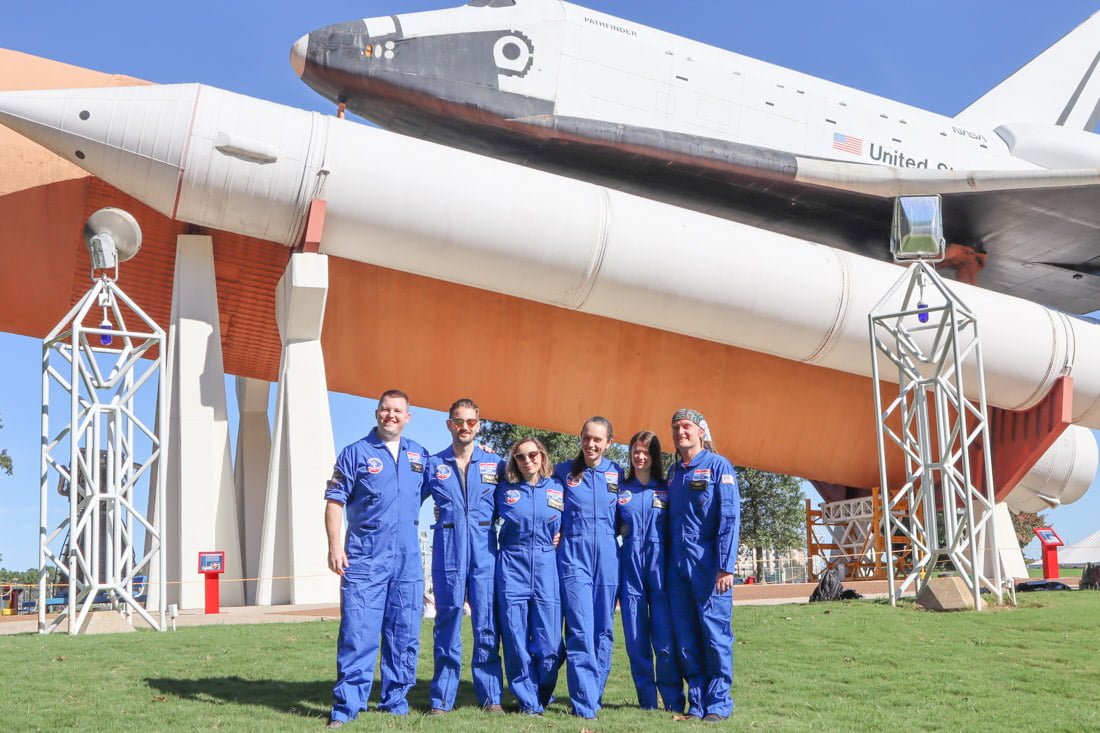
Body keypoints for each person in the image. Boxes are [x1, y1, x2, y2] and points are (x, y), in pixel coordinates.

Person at [324, 389, 428, 729]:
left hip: (407, 562)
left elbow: (452, 473)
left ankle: (396, 700)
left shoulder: (420, 456)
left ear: (408, 417)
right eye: (386, 409)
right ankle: (347, 707)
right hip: (365, 559)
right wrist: (334, 546)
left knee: (404, 633)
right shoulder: (355, 454)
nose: (391, 415)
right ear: (377, 413)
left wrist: (482, 452)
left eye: (398, 411)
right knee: (359, 633)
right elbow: (335, 500)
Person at [422, 398, 504, 714]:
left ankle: (491, 697)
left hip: (484, 551)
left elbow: (519, 502)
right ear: (449, 425)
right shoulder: (434, 464)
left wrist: (555, 528)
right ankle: (442, 699)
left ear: (478, 425)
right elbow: (406, 501)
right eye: (459, 421)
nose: (464, 427)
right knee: (447, 621)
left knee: (486, 623)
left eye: (470, 421)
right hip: (448, 552)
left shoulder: (495, 464)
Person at [666, 408, 741, 722]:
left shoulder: (718, 466)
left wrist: (725, 565)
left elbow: (729, 517)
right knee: (686, 636)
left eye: (686, 427)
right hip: (678, 568)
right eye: (676, 428)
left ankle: (718, 703)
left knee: (714, 634)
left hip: (709, 567)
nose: (681, 432)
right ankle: (696, 702)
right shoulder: (674, 473)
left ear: (700, 432)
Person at [555, 416, 623, 719]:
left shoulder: (618, 474)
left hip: (608, 555)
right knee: (581, 629)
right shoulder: (562, 472)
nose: (591, 444)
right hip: (573, 555)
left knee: (603, 630)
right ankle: (584, 703)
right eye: (586, 438)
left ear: (609, 442)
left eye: (598, 439)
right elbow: (529, 480)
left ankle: (593, 694)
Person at [495, 437, 563, 715]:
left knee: (549, 643)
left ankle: (543, 693)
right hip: (512, 565)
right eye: (520, 457)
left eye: (533, 454)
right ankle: (528, 701)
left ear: (542, 456)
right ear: (514, 461)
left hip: (547, 566)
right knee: (515, 639)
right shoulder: (503, 490)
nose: (527, 461)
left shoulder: (558, 488)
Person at [617, 431, 684, 712]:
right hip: (630, 570)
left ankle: (672, 700)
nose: (640, 456)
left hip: (661, 571)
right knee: (636, 641)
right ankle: (647, 702)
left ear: (654, 456)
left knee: (665, 640)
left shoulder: (667, 488)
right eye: (635, 451)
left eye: (645, 451)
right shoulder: (620, 490)